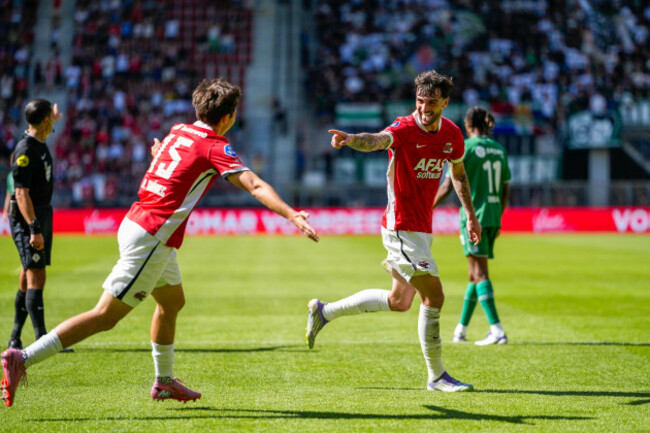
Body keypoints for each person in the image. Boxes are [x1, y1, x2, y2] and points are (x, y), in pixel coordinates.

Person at [1, 78, 320, 407]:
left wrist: (158, 153)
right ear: (227, 118)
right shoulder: (214, 145)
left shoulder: (179, 130)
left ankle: (164, 381)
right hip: (152, 236)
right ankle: (22, 358)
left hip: (138, 224)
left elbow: (169, 163)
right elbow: (253, 184)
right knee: (105, 315)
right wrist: (291, 214)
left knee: (172, 302)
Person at [305, 70, 482, 392]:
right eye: (419, 102)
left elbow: (457, 172)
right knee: (435, 295)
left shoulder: (453, 135)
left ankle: (324, 311)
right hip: (401, 226)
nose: (424, 109)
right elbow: (377, 140)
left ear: (445, 102)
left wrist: (470, 215)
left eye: (431, 103)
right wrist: (350, 139)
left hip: (421, 229)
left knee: (400, 301)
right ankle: (437, 376)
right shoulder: (404, 127)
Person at [432, 106, 510, 346]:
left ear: (468, 125)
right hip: (493, 215)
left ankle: (497, 330)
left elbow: (448, 185)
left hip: (473, 216)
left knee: (480, 273)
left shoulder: (467, 148)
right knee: (473, 275)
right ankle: (461, 330)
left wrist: (428, 207)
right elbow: (506, 188)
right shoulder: (498, 149)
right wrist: (498, 217)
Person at [4, 100, 64, 351]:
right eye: (51, 117)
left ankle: (15, 337)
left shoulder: (37, 140)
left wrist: (53, 118)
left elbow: (46, 125)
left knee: (28, 272)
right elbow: (20, 194)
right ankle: (42, 339)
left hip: (40, 213)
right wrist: (33, 228)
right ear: (45, 121)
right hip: (28, 217)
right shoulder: (25, 150)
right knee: (36, 274)